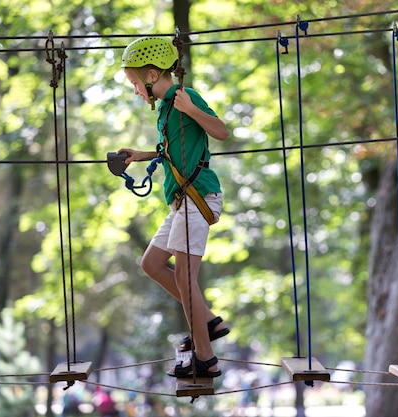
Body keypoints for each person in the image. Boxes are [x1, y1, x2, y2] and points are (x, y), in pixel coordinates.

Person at [116, 36, 230, 378]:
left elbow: (221, 132)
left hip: (198, 196)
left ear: (152, 75)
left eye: (136, 83)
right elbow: (174, 150)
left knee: (183, 276)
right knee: (151, 263)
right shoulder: (166, 109)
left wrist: (192, 109)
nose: (135, 90)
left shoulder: (184, 98)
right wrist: (142, 155)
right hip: (182, 201)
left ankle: (206, 359)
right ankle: (207, 322)